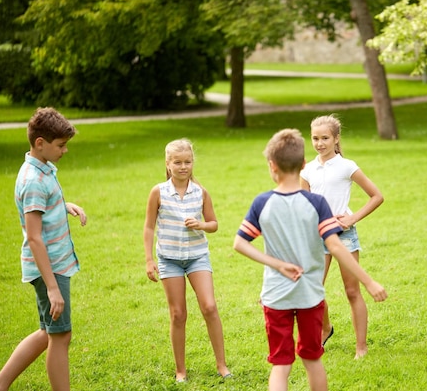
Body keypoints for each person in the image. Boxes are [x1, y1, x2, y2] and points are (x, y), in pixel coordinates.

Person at [233, 128, 387, 391]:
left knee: (281, 365)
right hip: (309, 296)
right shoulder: (316, 204)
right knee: (313, 360)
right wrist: (370, 282)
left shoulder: (262, 202)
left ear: (272, 166)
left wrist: (277, 264)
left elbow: (239, 243)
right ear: (303, 165)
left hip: (275, 296)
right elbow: (336, 247)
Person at [0, 107, 87, 391]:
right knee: (61, 336)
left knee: (47, 332)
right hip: (50, 267)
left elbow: (41, 209)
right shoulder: (33, 181)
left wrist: (64, 205)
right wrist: (52, 287)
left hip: (52, 264)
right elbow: (35, 237)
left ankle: (0, 382)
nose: (65, 151)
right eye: (61, 145)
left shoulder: (42, 169)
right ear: (40, 143)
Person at [143, 139, 231, 383]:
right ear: (168, 164)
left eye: (188, 162)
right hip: (169, 259)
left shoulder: (200, 192)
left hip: (197, 257)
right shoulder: (158, 192)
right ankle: (181, 370)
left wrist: (201, 224)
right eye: (178, 162)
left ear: (193, 163)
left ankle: (222, 365)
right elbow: (149, 227)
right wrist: (149, 259)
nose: (183, 167)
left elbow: (214, 224)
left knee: (210, 307)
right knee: (178, 314)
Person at [299, 114, 384, 359]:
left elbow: (376, 196)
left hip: (345, 236)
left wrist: (352, 218)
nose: (319, 143)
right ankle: (325, 327)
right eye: (315, 138)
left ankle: (361, 347)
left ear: (336, 139)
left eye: (325, 138)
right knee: (313, 289)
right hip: (318, 237)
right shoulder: (309, 170)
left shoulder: (347, 166)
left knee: (352, 291)